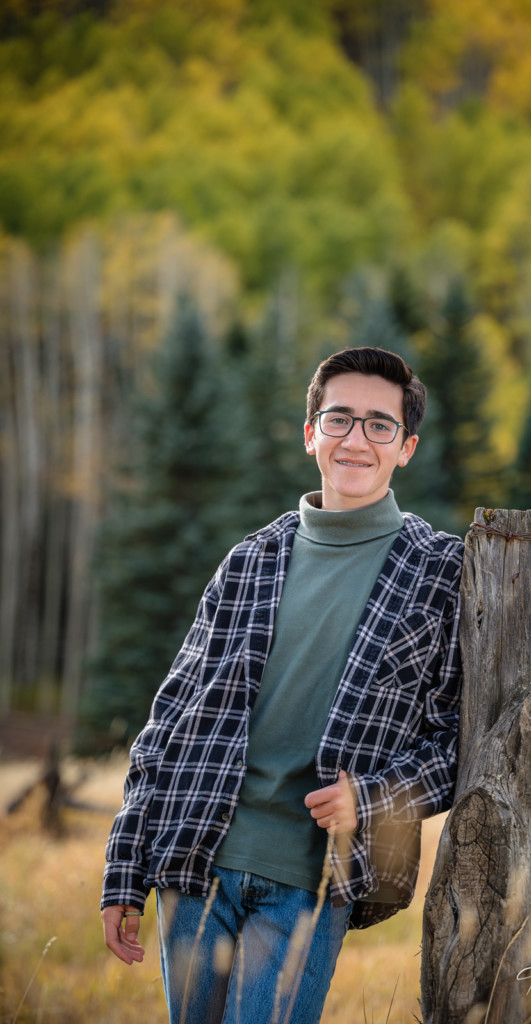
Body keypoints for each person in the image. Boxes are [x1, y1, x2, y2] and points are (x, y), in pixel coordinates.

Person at [101, 346, 464, 1024]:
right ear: (311, 435)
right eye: (339, 419)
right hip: (195, 861)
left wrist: (379, 799)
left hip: (311, 878)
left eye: (379, 425)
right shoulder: (249, 561)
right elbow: (169, 722)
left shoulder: (442, 573)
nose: (356, 439)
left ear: (406, 448)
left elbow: (463, 738)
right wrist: (125, 870)